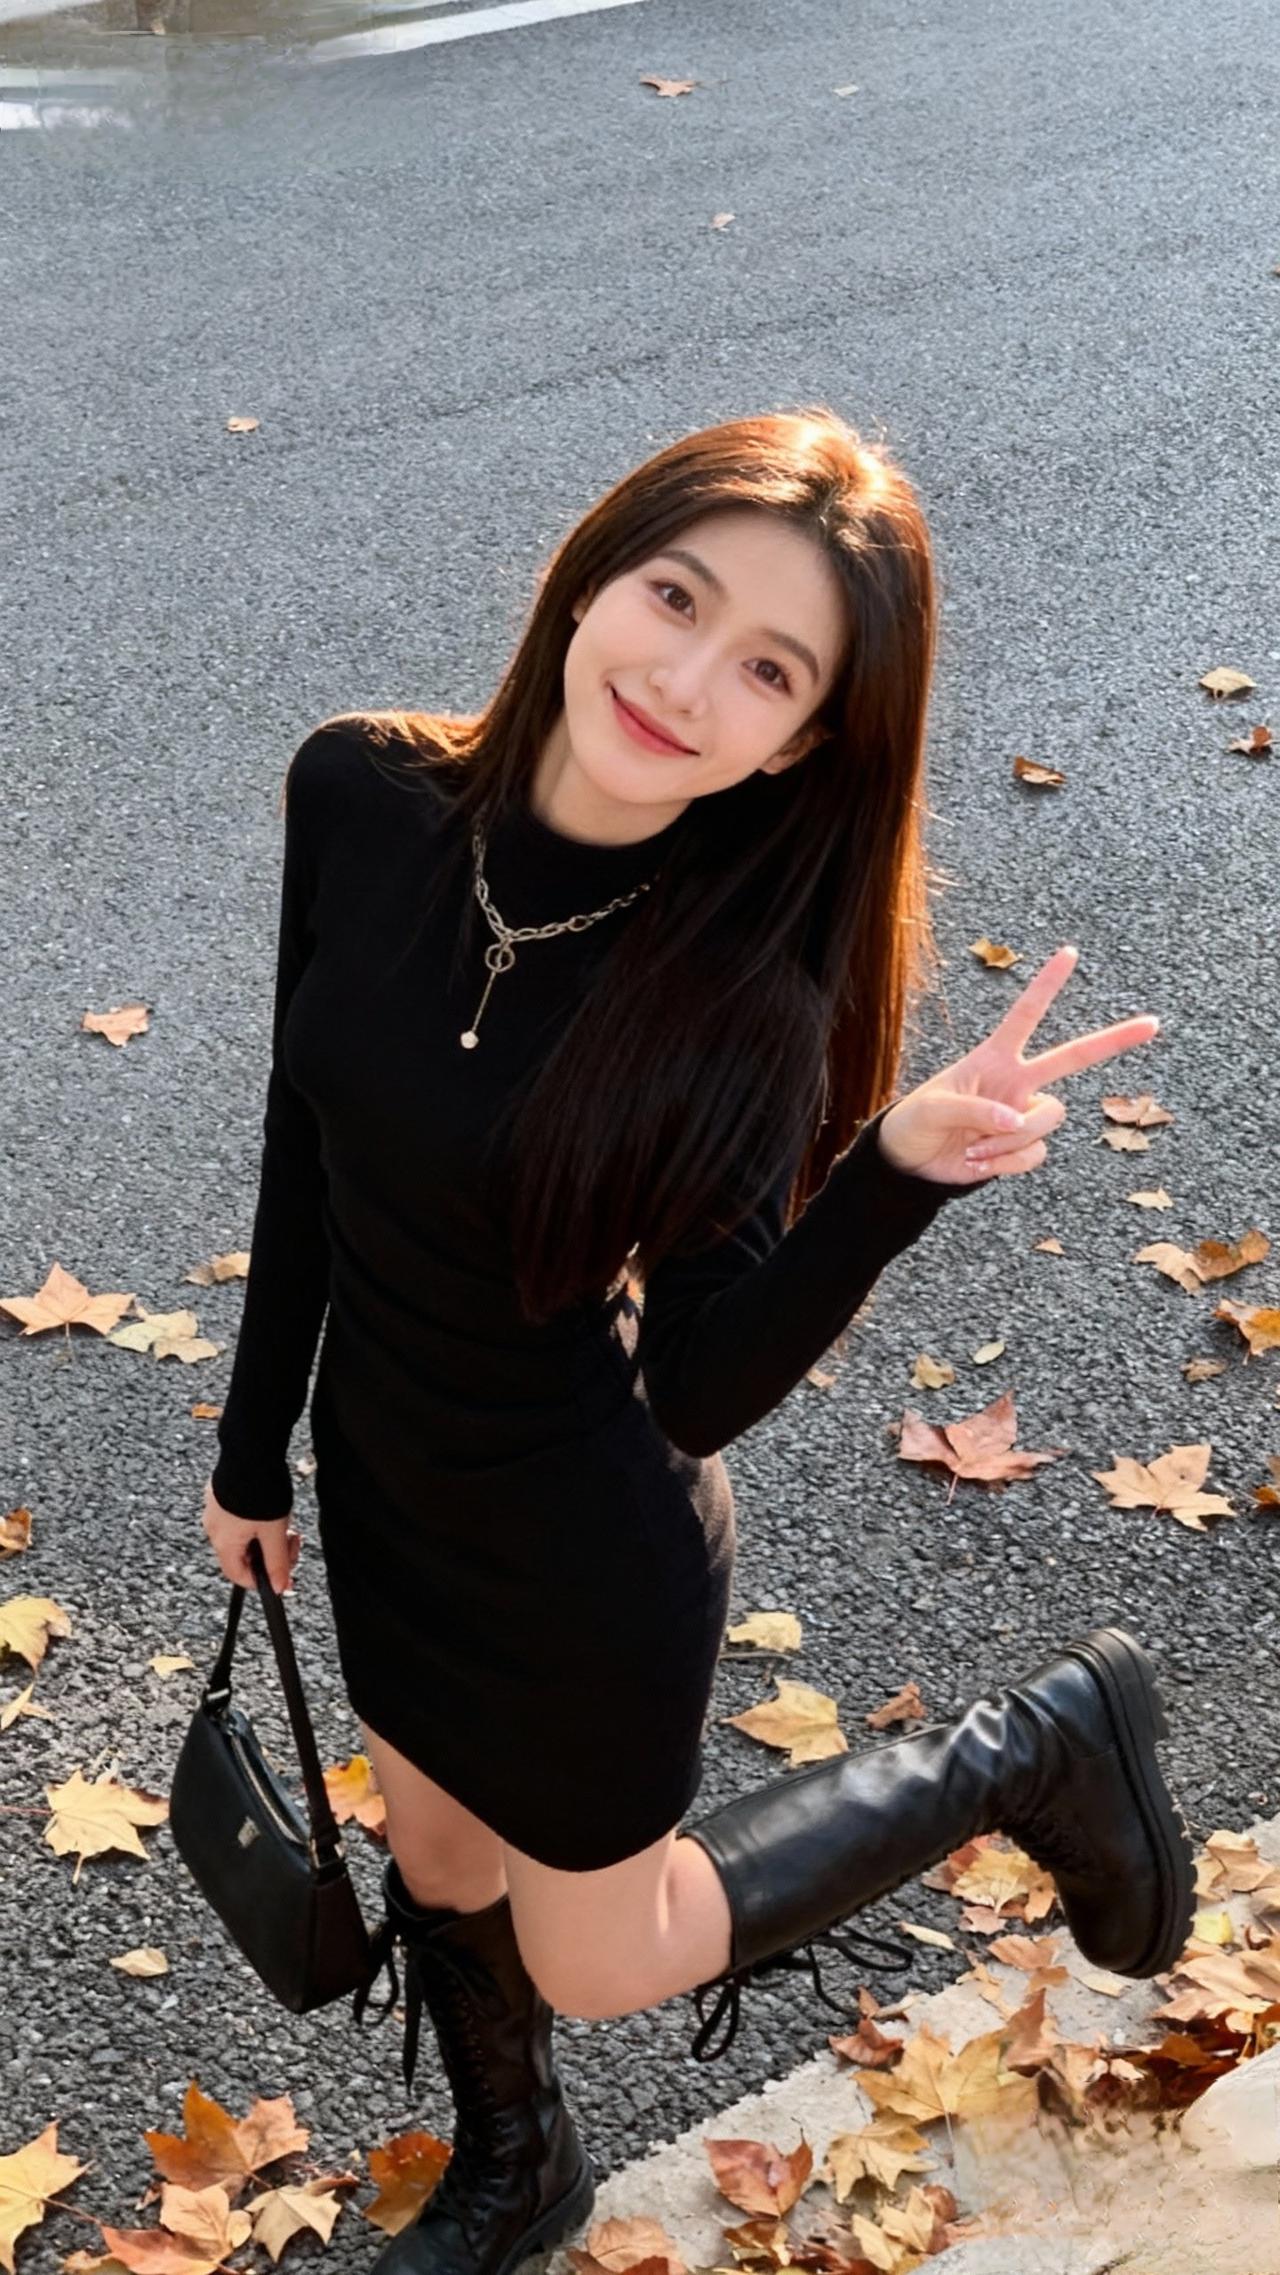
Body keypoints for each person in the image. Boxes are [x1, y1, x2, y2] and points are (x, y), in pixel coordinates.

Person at [200, 405, 1195, 2275]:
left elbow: (701, 1385)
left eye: (768, 669)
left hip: (582, 1553)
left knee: (605, 1952)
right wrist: (254, 1451)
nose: (683, 680)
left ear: (801, 740)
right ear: (596, 574)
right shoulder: (360, 791)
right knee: (436, 1858)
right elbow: (302, 1128)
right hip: (384, 1481)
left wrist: (888, 1176)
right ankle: (519, 2166)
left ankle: (1029, 1748)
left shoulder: (734, 997)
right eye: (678, 597)